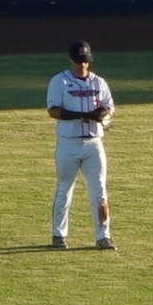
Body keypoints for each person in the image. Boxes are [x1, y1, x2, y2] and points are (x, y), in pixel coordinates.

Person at [45, 39, 116, 250]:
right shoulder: (59, 82)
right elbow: (53, 110)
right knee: (64, 189)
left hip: (94, 144)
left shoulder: (98, 83)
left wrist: (101, 115)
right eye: (78, 61)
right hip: (68, 144)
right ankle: (58, 236)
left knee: (100, 191)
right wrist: (80, 115)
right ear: (71, 59)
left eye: (85, 61)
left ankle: (103, 237)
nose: (82, 65)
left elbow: (110, 108)